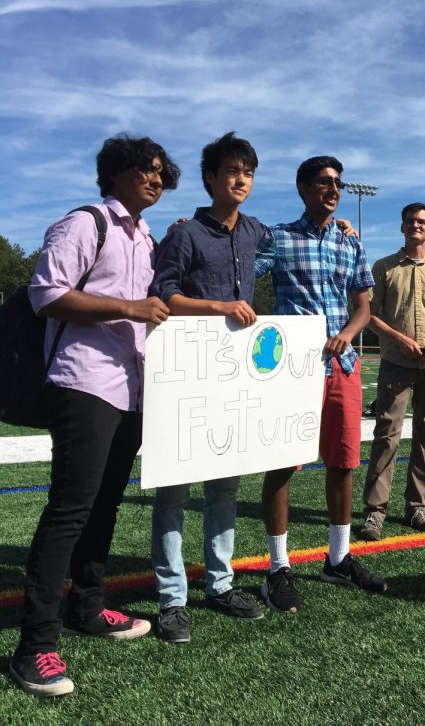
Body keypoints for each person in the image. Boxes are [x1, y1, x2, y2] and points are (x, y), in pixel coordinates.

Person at [10, 135, 180, 698]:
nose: (156, 179)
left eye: (161, 172)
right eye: (146, 170)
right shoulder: (85, 223)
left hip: (129, 389)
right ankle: (34, 645)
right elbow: (46, 294)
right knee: (70, 509)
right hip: (82, 382)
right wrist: (128, 307)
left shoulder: (145, 234)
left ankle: (87, 607)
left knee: (104, 505)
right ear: (115, 174)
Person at [255, 156, 387, 613]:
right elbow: (233, 270)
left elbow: (364, 307)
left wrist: (348, 334)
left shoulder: (351, 242)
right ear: (302, 187)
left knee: (344, 462)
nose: (333, 189)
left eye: (338, 183)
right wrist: (193, 232)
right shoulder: (278, 237)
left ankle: (338, 557)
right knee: (283, 464)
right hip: (292, 368)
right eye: (324, 182)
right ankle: (278, 567)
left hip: (343, 365)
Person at [149, 132, 267, 643]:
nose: (240, 180)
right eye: (231, 171)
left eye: (248, 172)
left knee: (224, 489)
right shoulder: (185, 234)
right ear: (211, 179)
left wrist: (340, 224)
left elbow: (295, 238)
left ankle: (220, 583)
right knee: (173, 492)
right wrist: (218, 307)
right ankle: (172, 598)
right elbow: (162, 295)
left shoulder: (257, 232)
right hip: (185, 378)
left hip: (233, 380)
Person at [359, 203, 425, 541]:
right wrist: (399, 339)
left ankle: (416, 506)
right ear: (402, 227)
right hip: (396, 362)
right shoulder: (385, 267)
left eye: (422, 222)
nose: (415, 225)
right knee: (387, 436)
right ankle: (375, 512)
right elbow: (369, 315)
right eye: (410, 221)